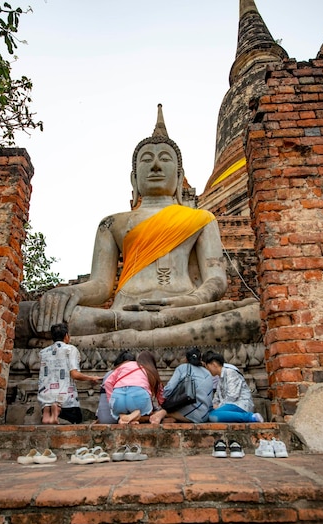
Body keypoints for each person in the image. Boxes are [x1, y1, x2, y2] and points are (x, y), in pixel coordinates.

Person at [15, 105, 260, 350]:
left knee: (255, 314)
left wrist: (189, 301)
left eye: (164, 159)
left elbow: (216, 281)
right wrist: (70, 293)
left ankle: (113, 343)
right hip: (121, 314)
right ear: (134, 178)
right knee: (29, 316)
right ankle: (151, 339)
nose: (155, 166)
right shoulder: (113, 223)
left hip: (186, 310)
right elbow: (101, 287)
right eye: (146, 160)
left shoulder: (203, 219)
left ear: (178, 175)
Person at [37, 322, 101, 424]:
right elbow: (74, 374)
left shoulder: (43, 352)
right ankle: (56, 410)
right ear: (66, 336)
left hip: (45, 395)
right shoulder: (70, 349)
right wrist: (91, 378)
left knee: (48, 408)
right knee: (77, 419)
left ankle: (47, 413)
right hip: (65, 399)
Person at [151, 347, 213, 424]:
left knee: (167, 409)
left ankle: (165, 413)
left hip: (189, 413)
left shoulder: (182, 368)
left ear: (186, 359)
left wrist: (164, 400)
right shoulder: (208, 373)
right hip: (204, 416)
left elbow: (169, 389)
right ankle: (174, 418)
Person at [104, 350, 164, 424]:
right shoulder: (148, 370)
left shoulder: (124, 366)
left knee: (120, 410)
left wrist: (111, 400)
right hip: (137, 397)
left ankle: (123, 418)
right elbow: (160, 391)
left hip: (118, 398)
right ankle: (137, 414)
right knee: (147, 411)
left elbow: (107, 382)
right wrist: (163, 405)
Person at [203, 352, 263, 423]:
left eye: (207, 366)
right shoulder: (220, 378)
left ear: (214, 365)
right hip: (228, 406)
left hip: (240, 404)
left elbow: (232, 396)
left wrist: (218, 406)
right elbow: (217, 397)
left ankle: (251, 417)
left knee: (212, 416)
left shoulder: (230, 372)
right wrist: (212, 406)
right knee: (207, 414)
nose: (206, 369)